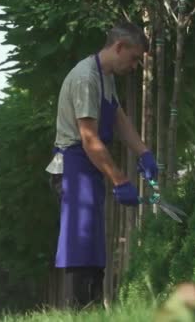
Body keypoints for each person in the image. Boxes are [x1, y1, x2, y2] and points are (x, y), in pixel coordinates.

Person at [45, 22, 159, 309]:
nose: (134, 66)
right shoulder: (86, 78)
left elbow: (118, 117)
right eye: (134, 58)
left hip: (88, 166)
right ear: (119, 47)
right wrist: (120, 180)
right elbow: (89, 139)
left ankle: (92, 310)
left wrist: (143, 152)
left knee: (93, 243)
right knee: (80, 241)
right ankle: (76, 310)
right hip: (73, 164)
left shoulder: (105, 76)